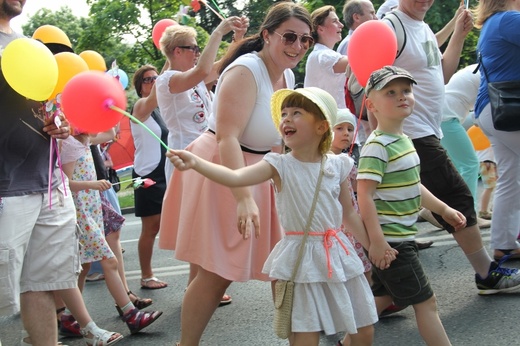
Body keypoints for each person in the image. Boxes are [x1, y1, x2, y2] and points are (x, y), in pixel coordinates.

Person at [167, 87, 382, 345]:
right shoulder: (278, 165)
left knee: (363, 330)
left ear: (321, 127)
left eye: (297, 113)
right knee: (305, 337)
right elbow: (235, 176)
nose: (286, 119)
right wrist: (196, 163)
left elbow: (348, 213)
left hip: (337, 256)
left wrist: (374, 248)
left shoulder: (338, 165)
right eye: (283, 114)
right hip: (300, 260)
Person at [158, 3, 315, 345]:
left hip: (259, 170)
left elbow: (277, 139)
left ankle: (302, 338)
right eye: (290, 36)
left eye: (306, 40)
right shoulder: (245, 70)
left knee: (284, 264)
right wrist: (243, 198)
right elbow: (228, 138)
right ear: (268, 35)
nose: (298, 46)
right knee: (218, 271)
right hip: (223, 168)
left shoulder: (286, 76)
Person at [0, 1, 119, 345]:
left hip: (50, 187)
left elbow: (47, 103)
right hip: (7, 188)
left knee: (40, 284)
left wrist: (60, 122)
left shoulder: (26, 46)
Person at [383, 0, 520, 295]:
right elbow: (369, 80)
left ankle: (382, 294)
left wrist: (458, 33)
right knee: (457, 196)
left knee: (401, 211)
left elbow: (441, 75)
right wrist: (384, 131)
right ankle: (486, 273)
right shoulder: (391, 26)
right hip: (412, 131)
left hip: (430, 128)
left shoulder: (420, 27)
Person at [357, 66, 466, 345]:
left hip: (397, 239)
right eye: (390, 92)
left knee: (383, 297)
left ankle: (347, 339)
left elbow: (413, 185)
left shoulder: (403, 140)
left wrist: (443, 209)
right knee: (426, 303)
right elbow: (364, 196)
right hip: (393, 243)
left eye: (406, 90)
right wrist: (378, 243)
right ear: (372, 105)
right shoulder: (377, 146)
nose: (402, 96)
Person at [60, 131, 163, 335]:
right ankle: (131, 314)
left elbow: (109, 133)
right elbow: (65, 183)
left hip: (91, 209)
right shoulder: (70, 144)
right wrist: (92, 184)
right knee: (109, 261)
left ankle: (69, 318)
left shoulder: (85, 140)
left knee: (84, 266)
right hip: (81, 214)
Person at [156, 15, 248, 182]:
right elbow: (203, 71)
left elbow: (224, 64)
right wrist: (218, 32)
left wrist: (238, 38)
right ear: (178, 51)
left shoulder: (194, 77)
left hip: (206, 152)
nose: (198, 53)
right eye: (194, 48)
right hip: (185, 155)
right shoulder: (165, 80)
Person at [473, 0, 520, 261]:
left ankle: (504, 244)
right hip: (507, 109)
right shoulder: (509, 20)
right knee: (511, 179)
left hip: (493, 110)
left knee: (510, 179)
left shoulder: (493, 23)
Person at [439, 64, 491, 229]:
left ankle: (431, 210)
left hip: (442, 116)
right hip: (446, 118)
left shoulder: (480, 67)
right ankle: (469, 214)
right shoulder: (489, 72)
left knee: (455, 168)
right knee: (470, 164)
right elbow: (483, 114)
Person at [131, 64, 169, 289]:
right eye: (148, 79)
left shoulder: (159, 110)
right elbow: (159, 89)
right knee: (150, 228)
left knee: (169, 224)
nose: (153, 81)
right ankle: (146, 276)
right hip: (145, 175)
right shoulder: (140, 107)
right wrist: (167, 62)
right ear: (139, 86)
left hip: (162, 172)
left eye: (155, 78)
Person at [475, 145, 496, 222]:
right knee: (489, 187)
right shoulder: (484, 136)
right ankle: (483, 211)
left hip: (486, 162)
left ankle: (490, 208)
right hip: (487, 162)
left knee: (491, 187)